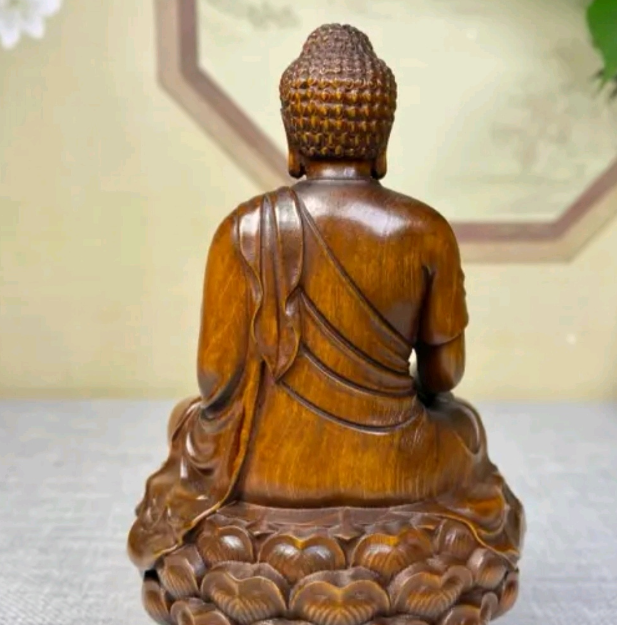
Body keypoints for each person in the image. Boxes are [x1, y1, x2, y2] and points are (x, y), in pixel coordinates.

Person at [128, 24, 521, 572]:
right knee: (465, 427)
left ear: (293, 142)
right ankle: (400, 569)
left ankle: (254, 574)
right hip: (397, 468)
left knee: (186, 421)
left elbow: (214, 381)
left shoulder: (241, 229)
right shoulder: (426, 230)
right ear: (382, 142)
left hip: (264, 472)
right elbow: (443, 377)